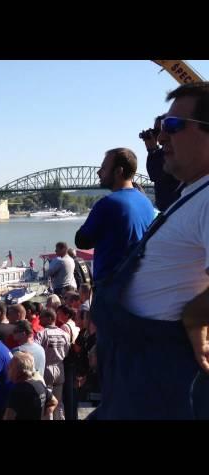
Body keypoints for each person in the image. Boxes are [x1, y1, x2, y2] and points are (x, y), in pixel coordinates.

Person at [92, 82, 209, 419]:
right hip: (135, 367)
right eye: (161, 125)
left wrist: (197, 315)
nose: (161, 137)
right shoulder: (192, 193)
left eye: (173, 126)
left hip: (159, 379)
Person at [75, 147, 154, 285]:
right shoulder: (146, 203)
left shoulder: (108, 203)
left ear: (119, 171)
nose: (98, 172)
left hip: (110, 287)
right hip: (138, 283)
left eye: (104, 168)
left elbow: (81, 241)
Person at [35, 308, 70, 420]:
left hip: (46, 369)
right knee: (59, 402)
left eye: (42, 317)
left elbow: (36, 351)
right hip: (60, 368)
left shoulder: (41, 334)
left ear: (50, 318)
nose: (39, 319)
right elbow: (67, 351)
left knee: (48, 403)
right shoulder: (64, 334)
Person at [143, 113, 183, 211]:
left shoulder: (178, 153)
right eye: (157, 132)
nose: (160, 137)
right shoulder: (161, 154)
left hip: (174, 208)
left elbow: (156, 173)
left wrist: (152, 151)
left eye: (166, 129)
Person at [3, 352, 58, 420]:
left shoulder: (18, 390)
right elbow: (54, 402)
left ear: (20, 372)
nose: (7, 368)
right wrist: (43, 416)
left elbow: (8, 417)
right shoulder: (39, 384)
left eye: (10, 366)